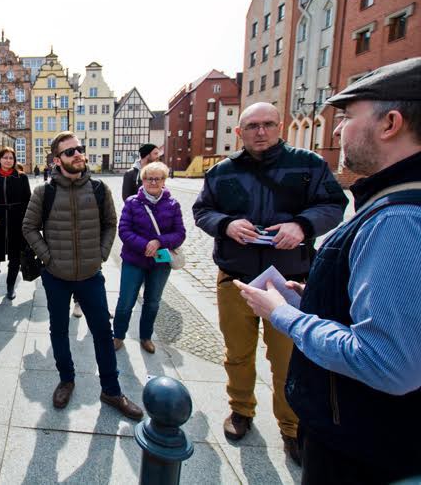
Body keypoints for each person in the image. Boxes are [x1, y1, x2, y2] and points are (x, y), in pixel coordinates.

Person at [234, 58, 421, 482]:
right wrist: (320, 296)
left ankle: (287, 429)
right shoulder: (392, 201)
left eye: (348, 117)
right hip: (366, 432)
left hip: (363, 443)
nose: (337, 130)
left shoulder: (399, 217)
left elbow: (389, 362)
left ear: (390, 123)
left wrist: (286, 313)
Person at [192, 102, 348, 464]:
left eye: (267, 125)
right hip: (236, 278)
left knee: (288, 357)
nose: (260, 132)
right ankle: (241, 409)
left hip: (289, 281)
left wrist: (303, 225)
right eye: (252, 126)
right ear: (239, 132)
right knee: (237, 352)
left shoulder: (308, 165)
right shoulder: (221, 171)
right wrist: (225, 224)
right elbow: (203, 210)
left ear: (280, 127)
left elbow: (334, 205)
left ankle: (292, 427)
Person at [22, 131, 143, 420]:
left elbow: (111, 223)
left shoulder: (100, 189)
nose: (78, 154)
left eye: (80, 149)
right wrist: (49, 258)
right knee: (59, 330)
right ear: (57, 160)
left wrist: (100, 253)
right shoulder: (44, 192)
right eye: (69, 151)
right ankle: (67, 379)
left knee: (102, 331)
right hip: (56, 275)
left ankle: (111, 390)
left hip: (90, 274)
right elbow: (28, 227)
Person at [113, 161, 185, 354]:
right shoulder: (132, 203)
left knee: (152, 301)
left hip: (160, 262)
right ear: (142, 180)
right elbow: (124, 230)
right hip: (134, 259)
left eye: (158, 178)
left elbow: (180, 233)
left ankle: (146, 336)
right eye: (149, 178)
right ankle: (118, 335)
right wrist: (145, 245)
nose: (153, 182)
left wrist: (159, 242)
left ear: (164, 181)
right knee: (126, 301)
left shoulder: (173, 204)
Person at [0, 146, 31, 305]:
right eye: (5, 157)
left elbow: (28, 200)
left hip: (16, 222)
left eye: (11, 158)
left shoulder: (21, 178)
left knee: (15, 258)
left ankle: (11, 287)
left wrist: (27, 223)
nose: (8, 160)